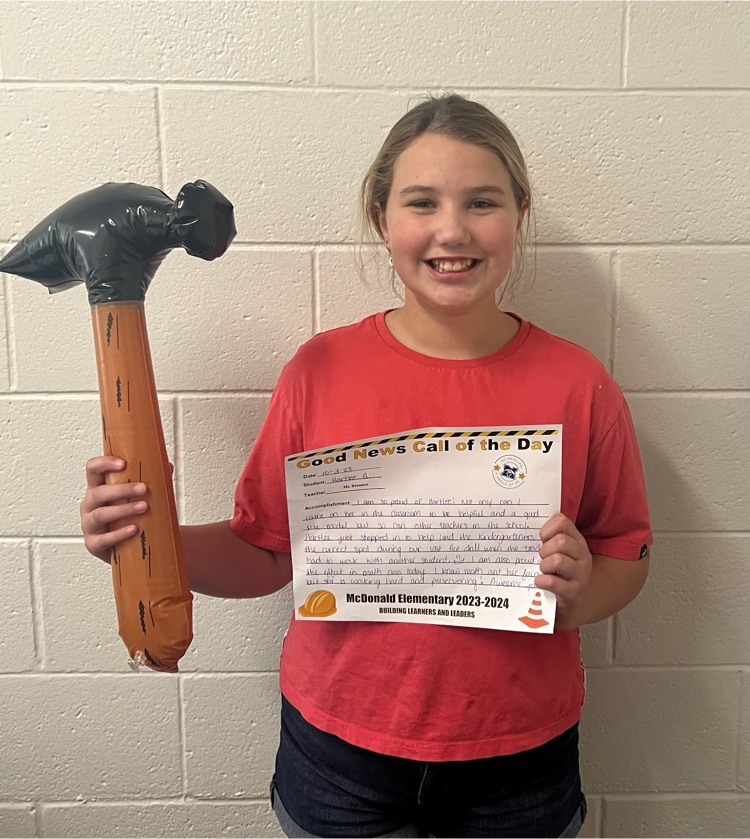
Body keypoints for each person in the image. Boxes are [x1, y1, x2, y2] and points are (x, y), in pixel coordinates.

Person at [80, 94, 652, 838]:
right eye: (422, 202)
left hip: (518, 760)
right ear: (383, 217)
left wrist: (581, 593)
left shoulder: (580, 384)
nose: (453, 229)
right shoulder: (320, 371)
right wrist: (147, 543)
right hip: (339, 757)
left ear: (519, 212)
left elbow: (625, 551)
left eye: (482, 202)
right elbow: (266, 552)